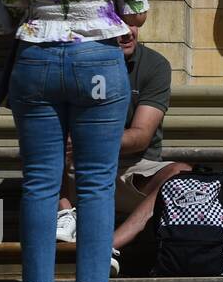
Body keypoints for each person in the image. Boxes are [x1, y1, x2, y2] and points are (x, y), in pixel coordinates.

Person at [0, 0, 155, 282]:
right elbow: (137, 13)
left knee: (41, 182)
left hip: (36, 62)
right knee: (97, 182)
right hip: (96, 63)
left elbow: (9, 4)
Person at [54, 26, 190, 263]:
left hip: (132, 169)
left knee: (182, 174)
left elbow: (140, 136)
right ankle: (66, 216)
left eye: (132, 23)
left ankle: (107, 246)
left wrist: (89, 139)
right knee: (43, 147)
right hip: (79, 169)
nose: (127, 33)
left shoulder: (154, 65)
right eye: (117, 24)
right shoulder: (72, 60)